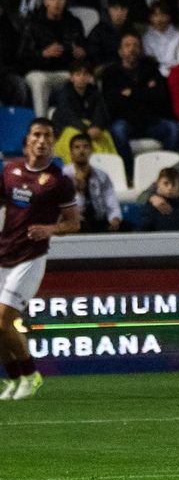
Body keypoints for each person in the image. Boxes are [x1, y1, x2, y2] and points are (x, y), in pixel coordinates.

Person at [0, 120, 79, 399]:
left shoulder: (59, 181)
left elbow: (73, 223)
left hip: (31, 257)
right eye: (37, 134)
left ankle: (31, 375)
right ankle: (14, 378)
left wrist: (50, 229)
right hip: (4, 254)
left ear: (54, 142)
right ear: (27, 141)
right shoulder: (10, 172)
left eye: (47, 135)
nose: (42, 140)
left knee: (3, 321)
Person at [66, 131, 121, 233]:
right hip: (75, 222)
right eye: (77, 147)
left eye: (85, 147)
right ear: (71, 153)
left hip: (98, 221)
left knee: (126, 227)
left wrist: (115, 218)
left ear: (91, 151)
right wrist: (79, 191)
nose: (81, 151)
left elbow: (111, 200)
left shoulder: (102, 176)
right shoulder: (63, 176)